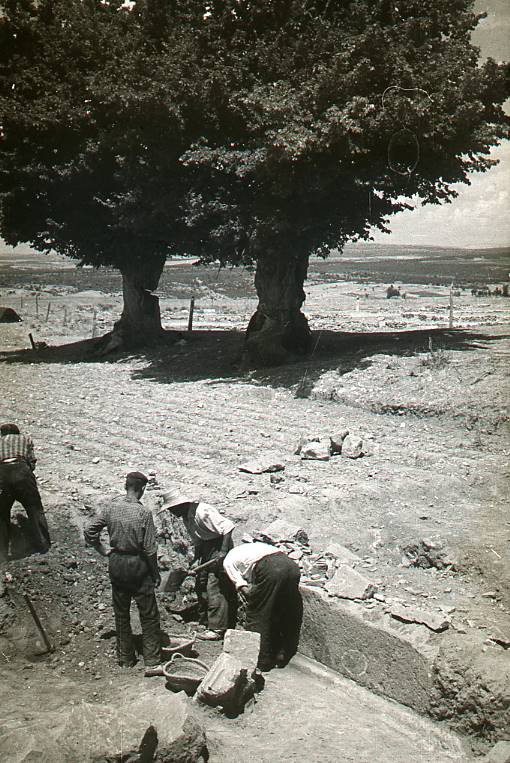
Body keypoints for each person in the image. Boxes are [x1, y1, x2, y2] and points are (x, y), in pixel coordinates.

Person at [84, 472, 161, 669]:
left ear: (126, 486)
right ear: (142, 489)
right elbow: (150, 549)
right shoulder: (143, 513)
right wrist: (155, 573)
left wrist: (102, 550)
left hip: (117, 562)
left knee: (121, 611)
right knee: (149, 613)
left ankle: (126, 658)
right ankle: (152, 661)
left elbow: (89, 530)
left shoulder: (110, 508)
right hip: (137, 564)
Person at [160, 488, 237, 640]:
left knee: (213, 585)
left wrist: (222, 552)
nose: (171, 512)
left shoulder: (202, 511)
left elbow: (228, 527)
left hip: (220, 544)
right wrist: (196, 560)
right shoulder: (186, 517)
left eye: (171, 508)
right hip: (207, 547)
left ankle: (217, 629)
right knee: (200, 583)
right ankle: (204, 620)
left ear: (180, 505)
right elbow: (199, 541)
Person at [223, 541, 303, 671]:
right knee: (282, 611)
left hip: (272, 569)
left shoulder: (227, 562)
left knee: (258, 614)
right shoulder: (249, 549)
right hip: (292, 567)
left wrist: (253, 597)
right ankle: (282, 653)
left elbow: (244, 589)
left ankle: (261, 661)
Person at [0, 422, 51, 562]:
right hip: (21, 471)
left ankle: (2, 554)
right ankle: (44, 545)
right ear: (17, 432)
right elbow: (32, 463)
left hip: (2, 474)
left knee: (2, 514)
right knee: (34, 508)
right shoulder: (25, 439)